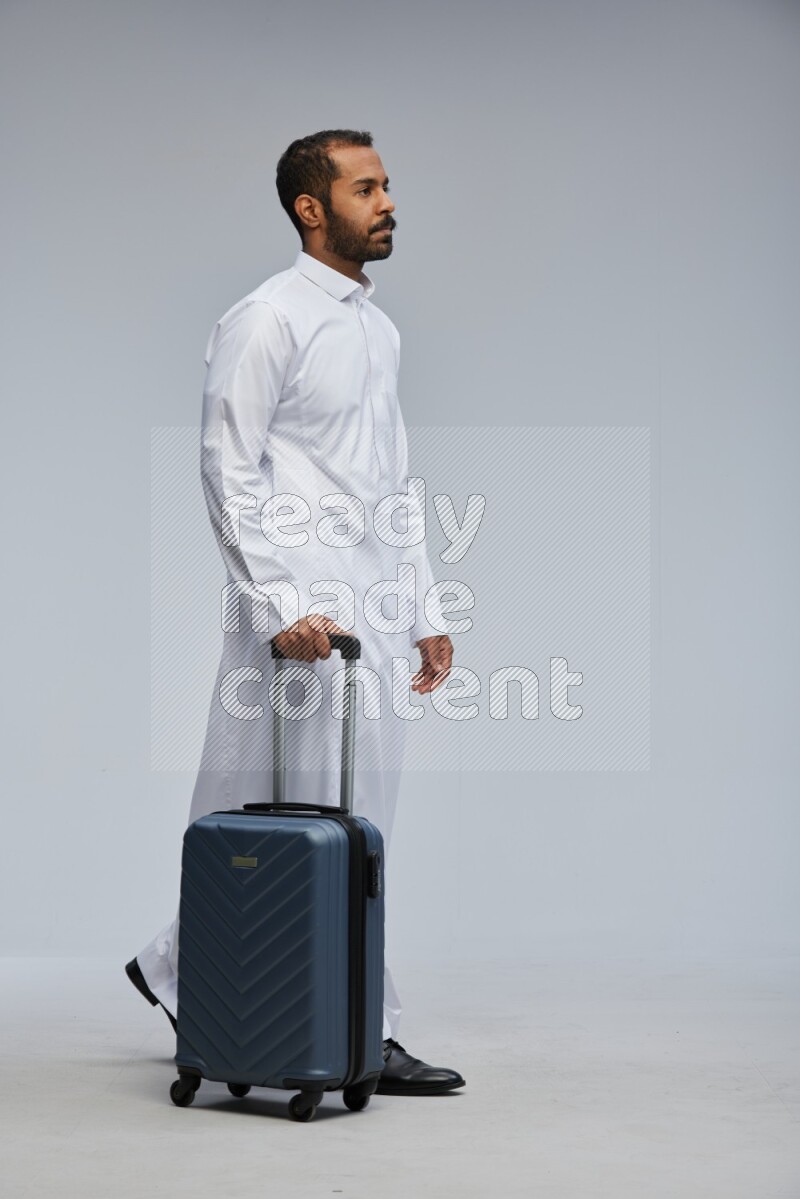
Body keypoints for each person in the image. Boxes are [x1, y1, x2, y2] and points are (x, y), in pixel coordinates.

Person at [126, 129, 464, 1096]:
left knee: (363, 820)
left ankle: (192, 972)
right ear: (311, 209)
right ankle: (356, 1023)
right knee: (293, 807)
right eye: (366, 188)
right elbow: (226, 467)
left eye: (387, 185)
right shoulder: (266, 318)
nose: (387, 202)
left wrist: (424, 606)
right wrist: (279, 603)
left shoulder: (376, 330)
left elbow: (393, 481)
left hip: (375, 608)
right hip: (302, 609)